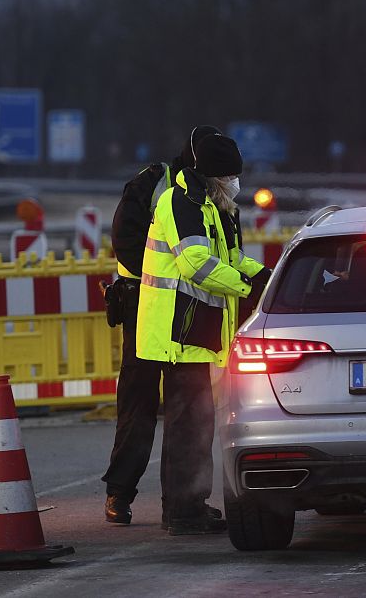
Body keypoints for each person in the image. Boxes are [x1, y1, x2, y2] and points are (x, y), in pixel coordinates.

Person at [136, 133, 270, 534]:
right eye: (230, 175)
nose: (236, 182)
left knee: (198, 422)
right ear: (212, 175)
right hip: (178, 332)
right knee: (188, 425)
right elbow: (196, 263)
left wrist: (264, 276)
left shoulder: (212, 205)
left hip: (198, 330)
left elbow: (230, 258)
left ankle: (189, 503)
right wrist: (248, 290)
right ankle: (182, 511)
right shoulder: (181, 202)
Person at [101, 125, 219, 526]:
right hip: (144, 307)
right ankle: (119, 493)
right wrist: (169, 280)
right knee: (139, 402)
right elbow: (126, 241)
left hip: (187, 310)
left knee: (192, 407)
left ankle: (184, 503)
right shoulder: (155, 184)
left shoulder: (208, 194)